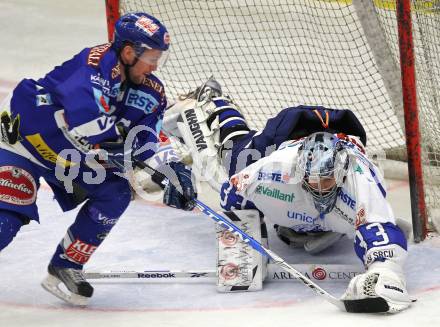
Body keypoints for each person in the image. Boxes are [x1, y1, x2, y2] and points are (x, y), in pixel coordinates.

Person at [164, 78, 412, 313]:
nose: (319, 189)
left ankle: (309, 227)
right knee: (230, 160)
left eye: (326, 181)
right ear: (298, 173)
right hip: (289, 135)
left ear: (340, 174)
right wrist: (245, 248)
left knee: (350, 227)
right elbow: (232, 193)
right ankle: (212, 101)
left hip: (339, 145)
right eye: (311, 181)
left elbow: (379, 232)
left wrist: (383, 270)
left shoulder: (359, 180)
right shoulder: (272, 170)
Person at [0, 12, 196, 306]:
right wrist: (133, 158)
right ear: (129, 52)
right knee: (7, 219)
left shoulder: (151, 93)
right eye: (152, 58)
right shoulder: (91, 66)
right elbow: (91, 126)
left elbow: (147, 138)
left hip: (67, 157)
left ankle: (67, 264)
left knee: (115, 193)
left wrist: (172, 167)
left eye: (159, 58)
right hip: (24, 140)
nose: (155, 66)